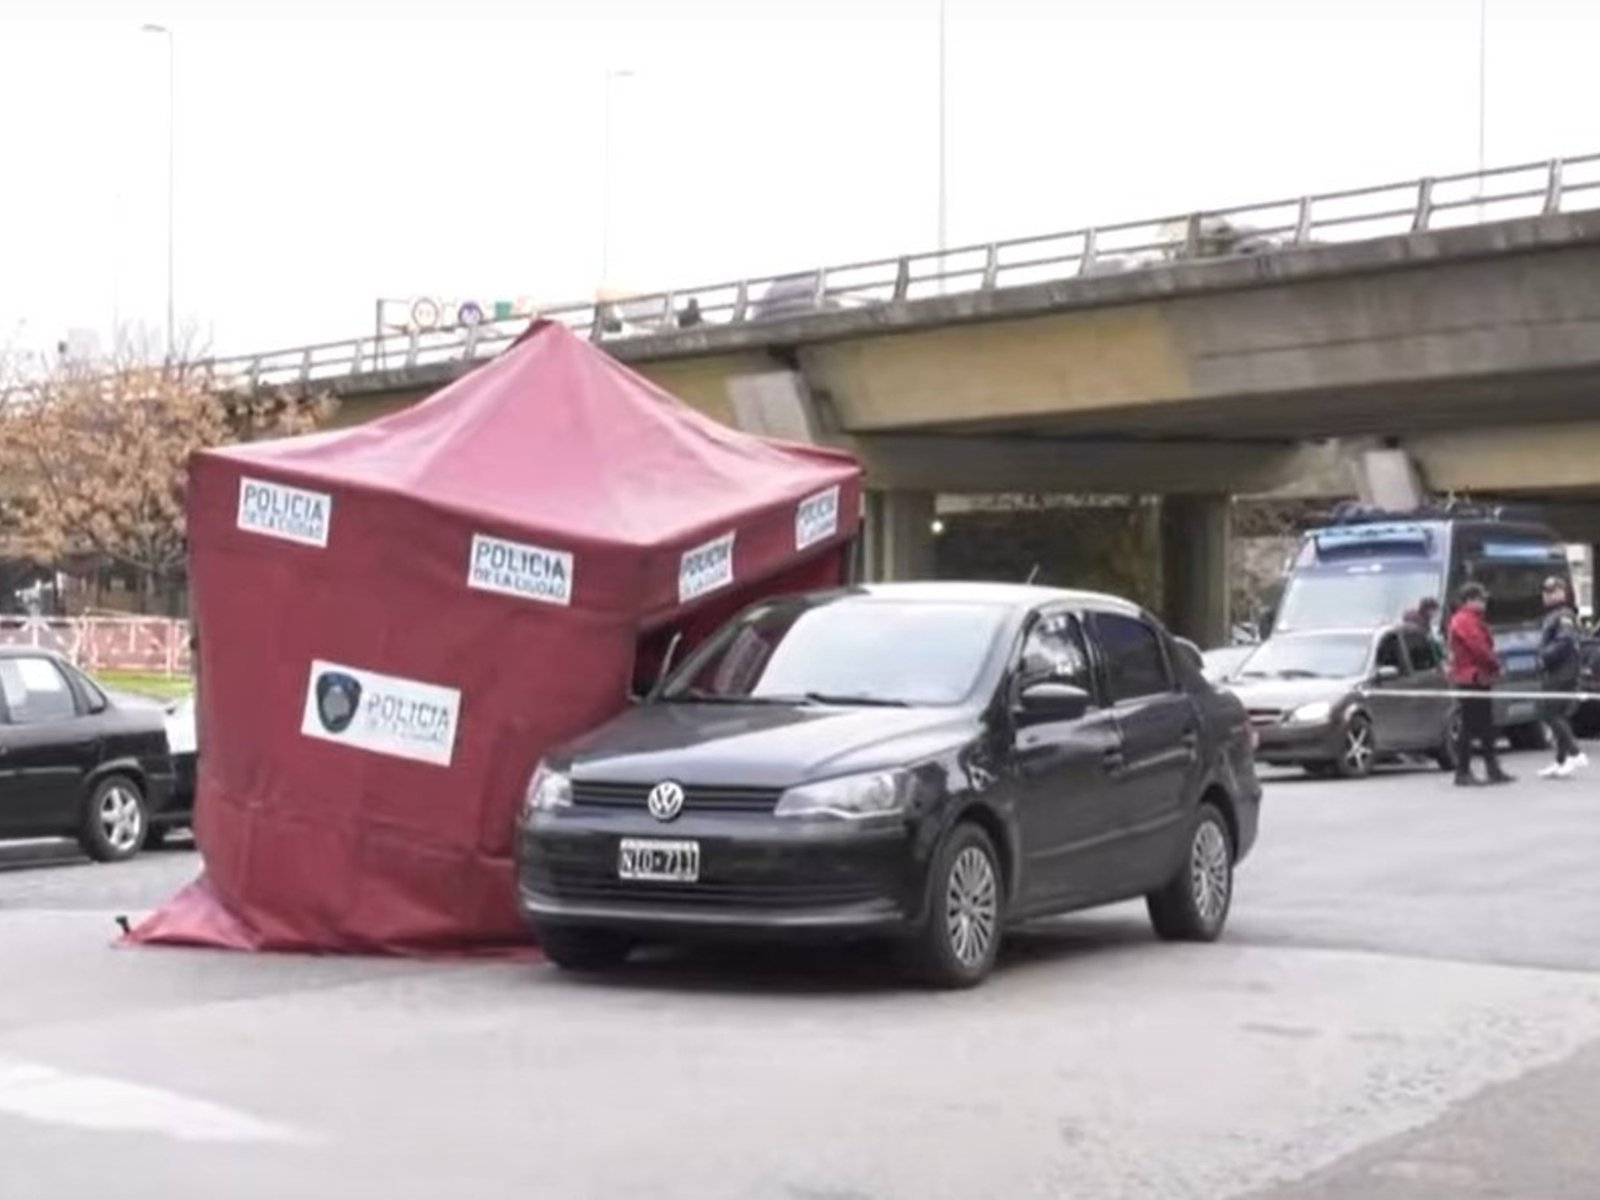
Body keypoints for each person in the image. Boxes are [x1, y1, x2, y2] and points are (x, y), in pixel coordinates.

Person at [1447, 582, 1511, 787]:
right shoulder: (1464, 620)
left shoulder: (1471, 619)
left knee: (1486, 726)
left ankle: (1492, 768)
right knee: (1469, 726)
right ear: (1470, 600)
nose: (1484, 603)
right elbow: (1479, 648)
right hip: (1471, 678)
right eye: (1481, 599)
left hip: (1478, 677)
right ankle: (1463, 771)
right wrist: (1496, 664)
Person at [1537, 577, 1588, 778]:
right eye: (1546, 592)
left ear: (1563, 593)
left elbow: (1565, 641)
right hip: (1557, 671)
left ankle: (1575, 753)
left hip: (1562, 672)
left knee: (1550, 714)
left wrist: (1545, 656)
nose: (1548, 595)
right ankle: (1562, 760)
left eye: (1553, 591)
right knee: (1559, 715)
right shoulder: (1553, 615)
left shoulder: (1564, 615)